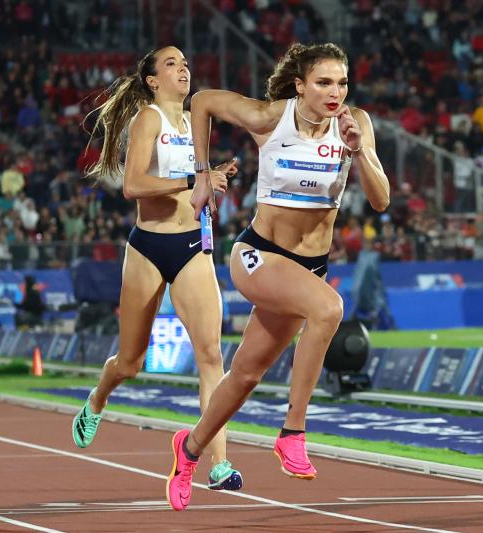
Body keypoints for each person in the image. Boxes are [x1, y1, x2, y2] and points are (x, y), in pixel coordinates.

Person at [166, 42, 390, 511]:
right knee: (329, 308)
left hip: (306, 269)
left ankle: (188, 451)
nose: (335, 93)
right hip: (258, 255)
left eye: (342, 83)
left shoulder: (356, 124)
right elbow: (202, 101)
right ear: (300, 86)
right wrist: (202, 173)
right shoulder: (271, 118)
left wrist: (359, 151)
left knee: (245, 375)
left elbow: (381, 200)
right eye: (324, 83)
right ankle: (293, 431)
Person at [71, 46, 243, 492]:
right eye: (171, 64)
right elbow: (133, 185)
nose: (183, 69)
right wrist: (196, 180)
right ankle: (97, 398)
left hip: (193, 246)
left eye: (186, 63)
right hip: (149, 246)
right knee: (130, 362)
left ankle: (219, 464)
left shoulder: (196, 121)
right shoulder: (148, 119)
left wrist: (215, 176)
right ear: (152, 80)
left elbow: (196, 180)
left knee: (211, 356)